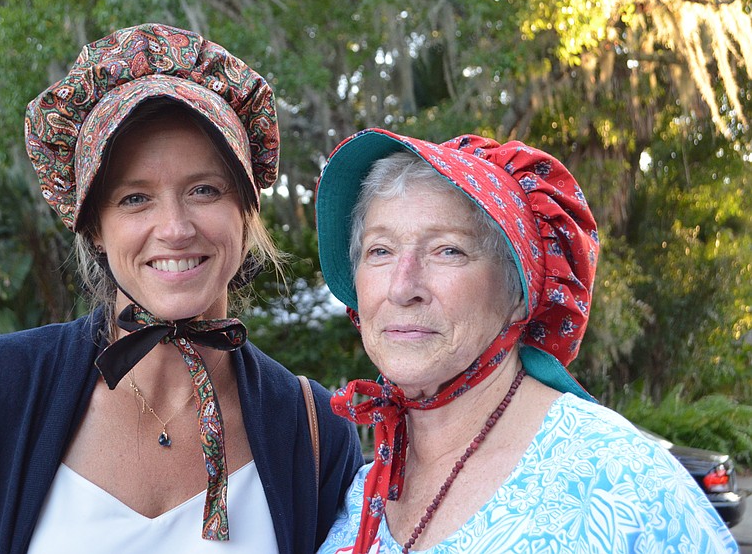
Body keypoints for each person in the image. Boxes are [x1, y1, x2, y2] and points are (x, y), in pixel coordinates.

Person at [0, 23, 362, 553]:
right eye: (135, 198)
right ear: (94, 226)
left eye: (204, 189)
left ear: (246, 209)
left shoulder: (314, 434)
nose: (175, 228)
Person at [313, 129, 739, 553]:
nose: (403, 287)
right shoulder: (362, 489)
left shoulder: (621, 482)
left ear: (521, 293)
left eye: (448, 250)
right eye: (380, 251)